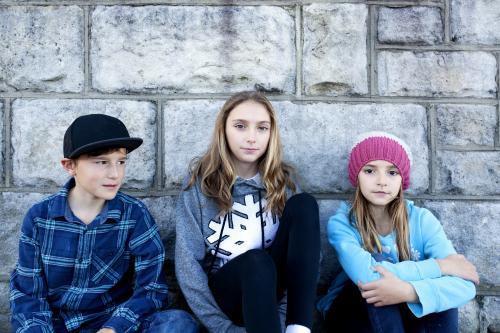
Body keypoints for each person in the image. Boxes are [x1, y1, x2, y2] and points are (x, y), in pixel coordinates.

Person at [10, 114, 198, 333]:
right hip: (57, 324)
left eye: (121, 162)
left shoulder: (134, 215)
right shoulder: (40, 217)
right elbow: (28, 294)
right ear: (70, 166)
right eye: (101, 162)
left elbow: (152, 290)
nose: (115, 174)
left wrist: (115, 327)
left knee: (177, 324)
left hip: (112, 322)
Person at [175, 91, 320, 333]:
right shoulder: (199, 185)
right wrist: (224, 328)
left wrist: (284, 321)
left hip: (273, 298)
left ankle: (299, 329)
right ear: (224, 129)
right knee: (256, 261)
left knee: (304, 204)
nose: (252, 138)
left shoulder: (284, 182)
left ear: (271, 133)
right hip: (227, 298)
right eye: (241, 126)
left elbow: (306, 258)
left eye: (262, 128)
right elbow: (188, 267)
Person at [317, 131, 479, 333]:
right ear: (356, 176)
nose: (381, 181)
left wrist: (408, 292)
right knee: (377, 264)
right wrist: (441, 266)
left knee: (442, 299)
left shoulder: (422, 220)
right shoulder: (343, 223)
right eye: (370, 171)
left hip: (406, 315)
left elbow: (465, 285)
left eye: (392, 172)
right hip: (352, 317)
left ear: (402, 180)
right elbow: (369, 279)